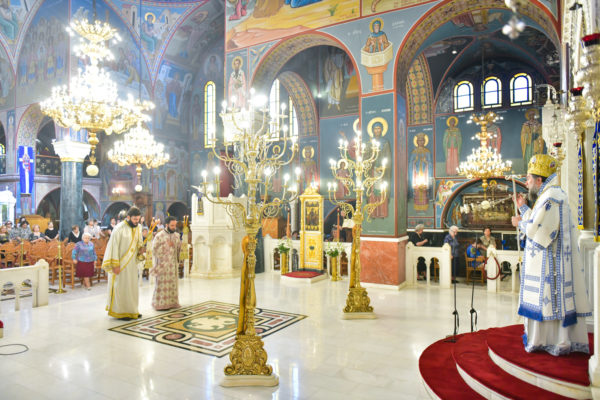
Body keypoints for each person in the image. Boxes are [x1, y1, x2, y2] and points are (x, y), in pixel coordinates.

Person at [511, 154, 591, 355]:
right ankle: (548, 339)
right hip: (551, 261)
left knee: (550, 302)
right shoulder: (548, 195)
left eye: (529, 179)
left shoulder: (551, 197)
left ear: (539, 180)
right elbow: (538, 220)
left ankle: (552, 341)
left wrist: (520, 223)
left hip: (551, 264)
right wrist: (523, 207)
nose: (527, 183)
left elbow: (540, 232)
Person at [102, 206, 144, 320]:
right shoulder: (119, 229)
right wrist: (115, 265)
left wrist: (141, 249)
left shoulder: (138, 228)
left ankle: (132, 310)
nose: (136, 222)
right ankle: (121, 312)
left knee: (132, 288)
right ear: (128, 217)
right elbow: (113, 247)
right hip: (121, 264)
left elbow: (139, 243)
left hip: (132, 265)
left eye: (138, 219)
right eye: (135, 219)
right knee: (121, 288)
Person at [150, 216, 181, 311]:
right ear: (166, 225)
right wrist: (167, 246)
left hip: (173, 265)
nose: (174, 227)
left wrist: (178, 245)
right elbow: (154, 250)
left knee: (172, 284)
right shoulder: (159, 236)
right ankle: (160, 304)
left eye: (175, 225)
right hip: (163, 265)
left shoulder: (176, 235)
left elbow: (178, 249)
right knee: (162, 285)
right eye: (172, 225)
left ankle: (172, 303)